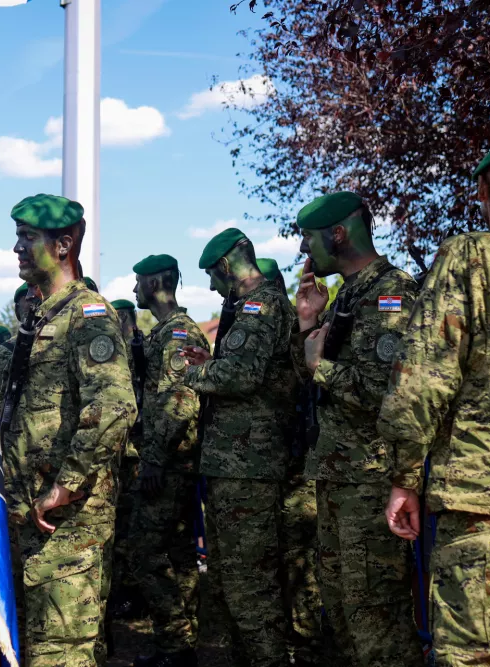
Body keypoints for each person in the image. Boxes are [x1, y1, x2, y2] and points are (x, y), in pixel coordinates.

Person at [380, 138, 490, 667]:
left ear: (482, 190)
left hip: (488, 502)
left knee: (478, 654)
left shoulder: (472, 255)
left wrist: (404, 477)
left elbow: (424, 380)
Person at [2, 193, 137, 667]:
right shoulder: (42, 317)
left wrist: (66, 485)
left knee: (61, 653)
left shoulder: (88, 314)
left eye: (27, 238)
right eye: (17, 237)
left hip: (67, 522)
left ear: (63, 245)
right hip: (28, 515)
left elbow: (115, 405)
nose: (17, 248)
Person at [292, 193, 422, 667]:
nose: (306, 249)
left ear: (339, 234)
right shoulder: (345, 294)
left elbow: (389, 395)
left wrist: (321, 366)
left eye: (310, 237)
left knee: (377, 620)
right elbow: (308, 375)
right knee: (343, 615)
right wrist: (307, 323)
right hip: (336, 476)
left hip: (370, 482)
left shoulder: (393, 293)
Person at [181, 228, 296, 667]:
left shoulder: (259, 305)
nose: (212, 286)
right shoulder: (249, 309)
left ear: (226, 267)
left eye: (213, 275)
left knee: (251, 589)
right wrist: (213, 366)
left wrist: (195, 375)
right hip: (237, 464)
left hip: (250, 465)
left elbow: (242, 376)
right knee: (234, 582)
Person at [126, 255, 209, 667]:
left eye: (139, 281)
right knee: (176, 552)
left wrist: (154, 460)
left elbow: (180, 402)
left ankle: (176, 644)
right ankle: (181, 645)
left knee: (144, 553)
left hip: (170, 463)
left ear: (156, 283)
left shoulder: (177, 333)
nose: (134, 290)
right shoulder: (164, 332)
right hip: (171, 459)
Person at [257, 257, 323, 667]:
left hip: (303, 462)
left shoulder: (288, 331)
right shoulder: (288, 329)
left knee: (302, 560)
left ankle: (309, 646)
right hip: (289, 460)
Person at [105, 298, 145, 624]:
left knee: (129, 529)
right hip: (122, 454)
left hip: (133, 455)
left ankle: (130, 593)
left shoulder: (132, 349)